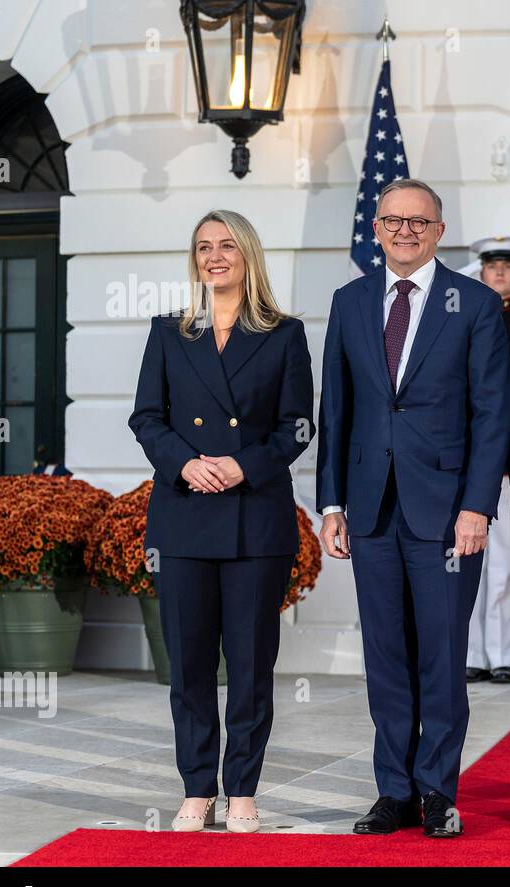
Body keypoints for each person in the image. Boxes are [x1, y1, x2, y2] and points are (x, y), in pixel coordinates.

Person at [315, 179, 510, 838]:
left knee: (440, 655)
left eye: (418, 221)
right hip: (370, 509)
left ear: (439, 229)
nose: (405, 231)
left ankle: (437, 791)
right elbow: (336, 408)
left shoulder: (476, 305)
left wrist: (477, 507)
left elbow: (494, 416)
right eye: (393, 220)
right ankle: (392, 791)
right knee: (387, 657)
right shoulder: (350, 302)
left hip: (448, 513)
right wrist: (333, 501)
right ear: (376, 228)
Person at [129, 209, 314, 834]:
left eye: (226, 246)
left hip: (254, 520)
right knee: (189, 666)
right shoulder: (169, 332)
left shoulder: (284, 334)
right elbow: (146, 418)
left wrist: (242, 466)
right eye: (204, 247)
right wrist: (185, 464)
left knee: (252, 663)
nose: (214, 256)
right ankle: (195, 788)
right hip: (184, 517)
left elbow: (298, 427)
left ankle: (243, 792)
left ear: (248, 256)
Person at [463, 236, 510, 685]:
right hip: (467, 463)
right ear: (483, 271)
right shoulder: (466, 314)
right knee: (465, 563)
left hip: (509, 462)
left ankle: (501, 655)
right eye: (493, 266)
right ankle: (470, 656)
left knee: (506, 566)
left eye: (507, 266)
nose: (500, 273)